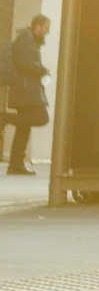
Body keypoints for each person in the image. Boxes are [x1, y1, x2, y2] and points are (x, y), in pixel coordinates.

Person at [5, 15, 50, 175]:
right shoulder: (26, 39)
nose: (48, 32)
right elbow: (23, 63)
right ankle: (4, 118)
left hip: (26, 88)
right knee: (41, 117)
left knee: (24, 127)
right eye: (46, 28)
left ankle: (15, 165)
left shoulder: (31, 41)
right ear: (37, 26)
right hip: (24, 89)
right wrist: (42, 70)